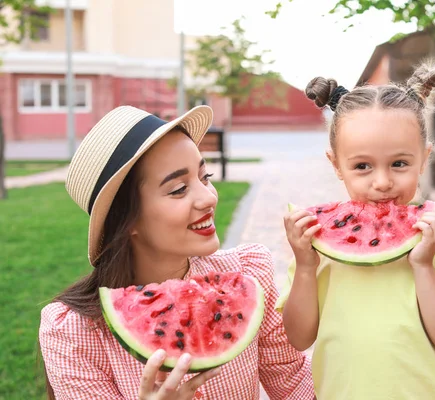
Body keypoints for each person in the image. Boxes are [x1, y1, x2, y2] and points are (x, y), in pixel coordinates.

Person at [39, 105, 315, 399]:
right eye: (179, 189)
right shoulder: (72, 334)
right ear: (127, 219)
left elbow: (295, 385)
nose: (208, 197)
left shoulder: (248, 273)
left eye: (204, 176)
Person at [276, 61, 435, 399]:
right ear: (336, 165)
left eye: (399, 163)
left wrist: (424, 265)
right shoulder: (315, 245)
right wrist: (305, 265)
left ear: (424, 158)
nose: (383, 182)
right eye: (362, 166)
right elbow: (300, 337)